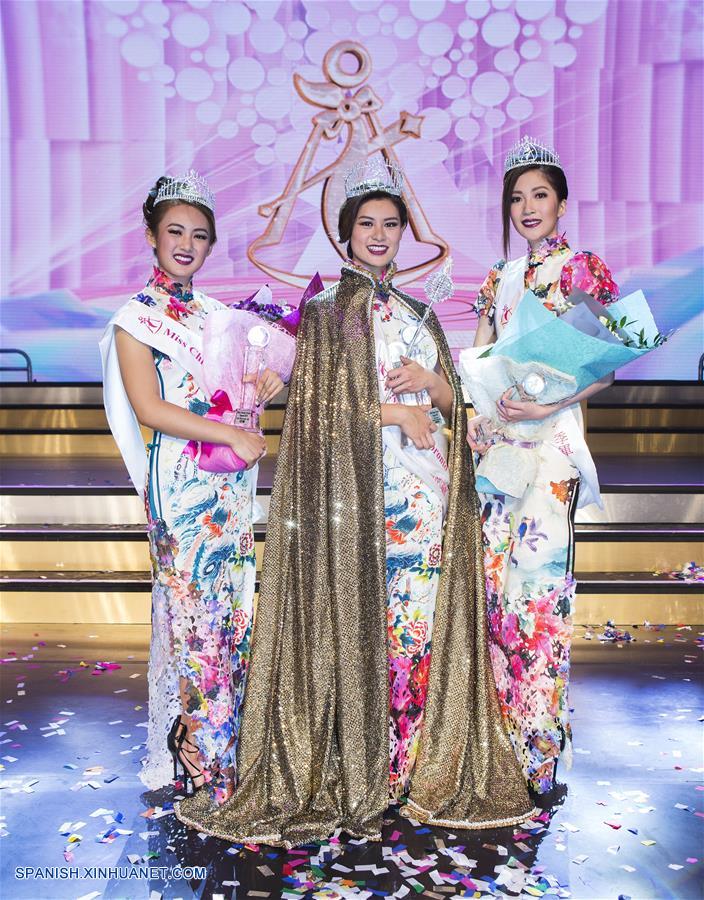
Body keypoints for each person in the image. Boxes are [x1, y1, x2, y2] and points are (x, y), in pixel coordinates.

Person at [175, 159, 534, 846]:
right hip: (358, 502)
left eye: (390, 224)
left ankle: (411, 767)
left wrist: (435, 384)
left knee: (415, 633)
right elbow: (316, 415)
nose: (378, 234)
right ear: (345, 235)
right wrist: (395, 413)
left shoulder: (420, 313)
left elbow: (453, 404)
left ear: (403, 233)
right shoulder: (325, 313)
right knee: (363, 628)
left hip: (425, 499)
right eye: (366, 223)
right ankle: (360, 764)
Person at [99, 171, 283, 803]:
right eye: (174, 231)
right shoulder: (136, 319)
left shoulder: (218, 317)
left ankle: (218, 738)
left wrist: (263, 384)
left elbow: (241, 389)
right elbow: (150, 408)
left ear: (210, 246)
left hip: (226, 485)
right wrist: (228, 431)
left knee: (231, 610)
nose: (186, 244)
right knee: (194, 614)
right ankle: (198, 746)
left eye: (199, 235)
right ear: (151, 236)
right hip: (179, 485)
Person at [467, 137, 620, 797]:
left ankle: (538, 748)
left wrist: (554, 401)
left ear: (561, 202)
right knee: (494, 592)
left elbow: (613, 361)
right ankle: (496, 743)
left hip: (552, 446)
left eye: (540, 195)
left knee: (539, 590)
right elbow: (477, 362)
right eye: (517, 197)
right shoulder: (497, 278)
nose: (528, 207)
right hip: (501, 448)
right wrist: (478, 414)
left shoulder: (584, 268)